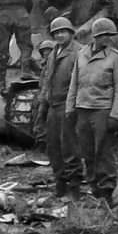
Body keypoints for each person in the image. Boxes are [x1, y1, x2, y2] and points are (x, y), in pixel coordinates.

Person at [65, 17, 118, 200]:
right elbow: (74, 83)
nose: (107, 39)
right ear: (95, 37)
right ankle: (94, 188)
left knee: (103, 151)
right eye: (103, 36)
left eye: (110, 35)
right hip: (82, 109)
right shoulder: (82, 55)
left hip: (102, 110)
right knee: (87, 151)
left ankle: (107, 190)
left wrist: (116, 116)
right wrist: (70, 108)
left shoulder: (116, 58)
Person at [35, 17, 83, 197]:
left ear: (71, 33)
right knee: (53, 147)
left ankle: (75, 186)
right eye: (56, 33)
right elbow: (47, 79)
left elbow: (81, 81)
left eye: (63, 31)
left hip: (68, 104)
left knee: (70, 147)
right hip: (53, 105)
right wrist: (43, 104)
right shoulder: (53, 52)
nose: (60, 35)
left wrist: (75, 106)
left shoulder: (79, 52)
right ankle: (60, 184)